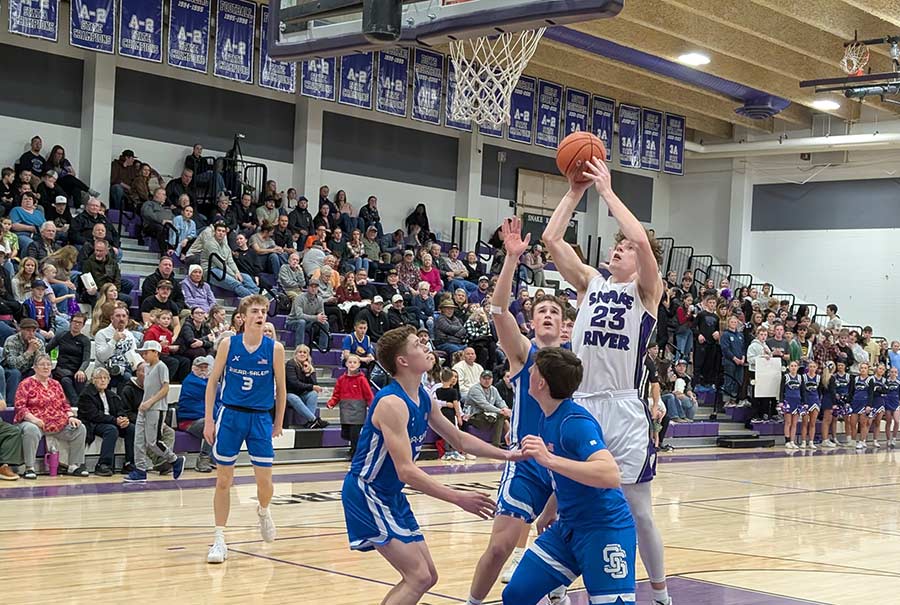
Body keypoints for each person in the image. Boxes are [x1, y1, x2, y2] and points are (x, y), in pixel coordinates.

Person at [543, 156, 671, 605]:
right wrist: (575, 191)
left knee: (639, 512)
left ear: (642, 261)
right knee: (563, 506)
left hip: (624, 409)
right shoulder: (590, 284)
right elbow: (551, 238)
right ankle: (556, 586)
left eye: (627, 248)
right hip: (581, 406)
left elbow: (639, 235)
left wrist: (607, 192)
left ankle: (659, 593)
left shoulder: (647, 293)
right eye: (616, 245)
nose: (620, 248)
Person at [340, 325, 518, 605]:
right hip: (368, 492)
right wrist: (459, 497)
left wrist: (509, 454)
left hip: (390, 495)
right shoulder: (391, 403)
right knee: (418, 577)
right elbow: (406, 470)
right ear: (403, 361)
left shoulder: (423, 396)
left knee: (428, 576)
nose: (426, 347)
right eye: (417, 345)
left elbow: (459, 439)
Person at [502, 347, 636, 605]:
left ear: (540, 382)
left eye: (533, 369)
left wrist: (548, 459)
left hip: (604, 529)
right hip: (569, 527)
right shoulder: (548, 416)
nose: (528, 371)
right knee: (516, 595)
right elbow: (565, 475)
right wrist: (550, 509)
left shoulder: (574, 421)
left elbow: (610, 474)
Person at [204, 295, 287, 564]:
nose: (260, 315)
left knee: (265, 482)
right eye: (255, 311)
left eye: (264, 311)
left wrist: (278, 422)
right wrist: (208, 419)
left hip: (260, 418)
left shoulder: (275, 349)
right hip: (230, 416)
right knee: (223, 480)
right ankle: (219, 539)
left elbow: (283, 390)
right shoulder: (229, 344)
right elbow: (213, 382)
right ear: (243, 316)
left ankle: (263, 511)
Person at [16, 354, 89, 479]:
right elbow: (20, 407)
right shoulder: (26, 384)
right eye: (42, 364)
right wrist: (34, 420)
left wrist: (71, 416)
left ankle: (74, 465)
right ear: (34, 367)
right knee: (30, 429)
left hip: (57, 422)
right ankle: (29, 468)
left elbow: (65, 404)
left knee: (80, 428)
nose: (46, 367)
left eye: (48, 364)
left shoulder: (56, 384)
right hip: (35, 422)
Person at [123, 341, 186, 483]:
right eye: (143, 353)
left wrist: (150, 402)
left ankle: (175, 460)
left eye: (146, 352)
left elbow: (165, 388)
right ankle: (140, 470)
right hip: (144, 408)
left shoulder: (161, 367)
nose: (144, 355)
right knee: (138, 441)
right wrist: (144, 403)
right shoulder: (146, 368)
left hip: (156, 408)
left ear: (155, 352)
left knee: (152, 441)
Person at [77, 367, 134, 476]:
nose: (103, 380)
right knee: (111, 430)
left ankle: (129, 462)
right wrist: (115, 420)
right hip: (93, 424)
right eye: (99, 378)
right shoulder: (86, 394)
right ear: (93, 380)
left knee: (131, 428)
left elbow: (120, 410)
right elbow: (94, 415)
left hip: (111, 421)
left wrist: (123, 418)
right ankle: (103, 464)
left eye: (105, 378)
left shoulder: (111, 395)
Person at [328, 354, 374, 459]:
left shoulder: (362, 380)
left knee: (355, 434)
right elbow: (337, 394)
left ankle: (354, 452)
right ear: (346, 364)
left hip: (358, 410)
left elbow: (369, 395)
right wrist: (331, 403)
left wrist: (373, 406)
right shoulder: (341, 379)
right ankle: (354, 449)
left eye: (355, 362)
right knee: (346, 433)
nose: (352, 364)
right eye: (350, 362)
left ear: (358, 365)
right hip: (345, 410)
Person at [175, 355, 215, 472]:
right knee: (212, 426)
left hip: (202, 419)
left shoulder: (209, 382)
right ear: (193, 368)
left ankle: (215, 457)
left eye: (205, 367)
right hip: (189, 421)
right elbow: (213, 392)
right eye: (200, 367)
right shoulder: (191, 381)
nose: (203, 369)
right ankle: (203, 459)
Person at [46, 313, 91, 404]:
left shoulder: (85, 340)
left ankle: (84, 402)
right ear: (70, 322)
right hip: (62, 369)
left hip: (76, 370)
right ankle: (77, 403)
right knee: (65, 380)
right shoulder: (61, 335)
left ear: (83, 325)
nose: (76, 324)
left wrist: (81, 370)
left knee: (81, 379)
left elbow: (86, 359)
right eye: (75, 321)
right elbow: (46, 349)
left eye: (80, 323)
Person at [286, 345, 328, 429]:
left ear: (308, 355)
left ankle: (310, 423)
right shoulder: (291, 364)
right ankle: (314, 419)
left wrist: (308, 373)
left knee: (313, 394)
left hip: (302, 394)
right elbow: (294, 383)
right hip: (289, 394)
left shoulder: (309, 366)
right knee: (294, 398)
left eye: (304, 352)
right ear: (296, 354)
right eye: (300, 352)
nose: (302, 354)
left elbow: (315, 384)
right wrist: (312, 387)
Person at [465, 370, 511, 448]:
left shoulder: (493, 389)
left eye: (489, 378)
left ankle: (509, 442)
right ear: (480, 379)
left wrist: (505, 408)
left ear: (492, 380)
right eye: (484, 378)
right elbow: (485, 405)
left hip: (488, 415)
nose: (487, 381)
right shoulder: (475, 389)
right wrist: (500, 411)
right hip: (474, 416)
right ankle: (497, 445)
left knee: (505, 417)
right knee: (502, 416)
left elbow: (500, 401)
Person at [286, 278, 330, 350]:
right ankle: (299, 347)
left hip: (308, 323)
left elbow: (321, 316)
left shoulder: (320, 300)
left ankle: (323, 348)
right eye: (311, 286)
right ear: (307, 288)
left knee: (325, 323)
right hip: (292, 322)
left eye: (315, 287)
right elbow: (299, 315)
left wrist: (321, 319)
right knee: (301, 322)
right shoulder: (299, 298)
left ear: (318, 288)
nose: (313, 289)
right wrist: (316, 318)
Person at [798, 360, 822, 450]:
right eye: (810, 366)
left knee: (812, 423)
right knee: (805, 423)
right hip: (806, 402)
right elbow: (802, 390)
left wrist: (818, 400)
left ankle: (811, 441)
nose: (812, 368)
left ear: (816, 368)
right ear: (808, 368)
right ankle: (804, 441)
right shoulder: (803, 377)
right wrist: (803, 402)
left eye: (814, 367)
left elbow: (820, 391)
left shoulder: (819, 378)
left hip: (815, 401)